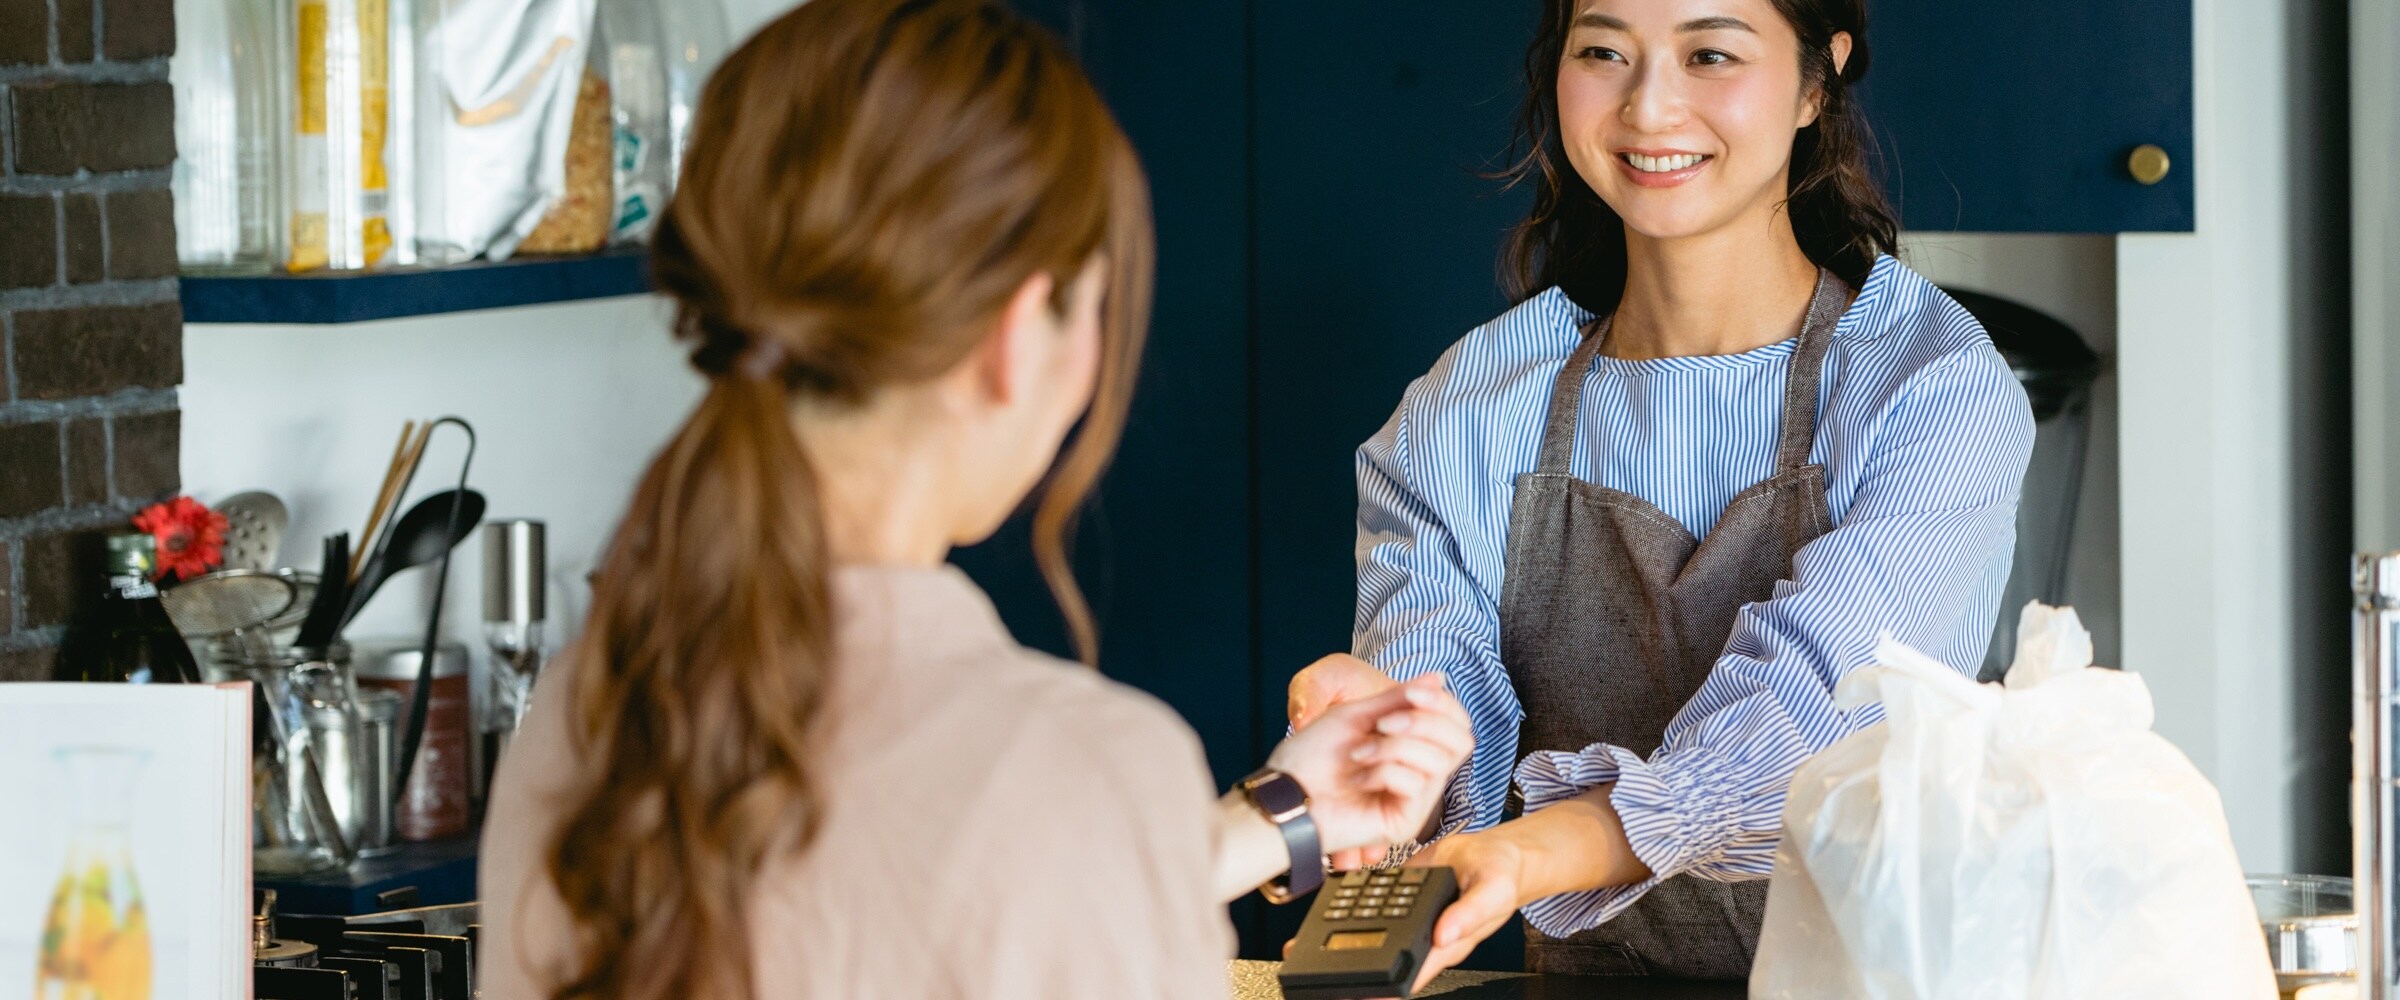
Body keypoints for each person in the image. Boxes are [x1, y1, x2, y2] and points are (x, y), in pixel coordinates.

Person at [476, 2, 1474, 997]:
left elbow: (900, 896)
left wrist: (1281, 814)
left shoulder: (583, 717)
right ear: (1012, 336)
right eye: (1091, 302)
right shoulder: (1081, 767)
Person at [1287, 0, 2035, 984]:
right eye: (1604, 51)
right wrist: (1390, 748)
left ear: (1819, 79)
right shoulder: (1465, 410)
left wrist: (1534, 850)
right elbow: (1440, 738)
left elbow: (1809, 718)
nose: (1650, 105)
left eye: (1710, 52)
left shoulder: (1925, 383)